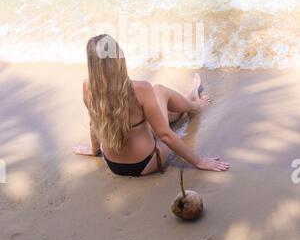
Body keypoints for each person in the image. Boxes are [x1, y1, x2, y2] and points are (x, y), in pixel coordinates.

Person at [74, 34, 230, 176]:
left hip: (113, 163)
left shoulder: (88, 88)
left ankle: (190, 98)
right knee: (159, 91)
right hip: (145, 162)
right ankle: (194, 106)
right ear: (118, 58)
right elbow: (164, 135)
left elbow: (93, 123)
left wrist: (94, 150)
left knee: (157, 113)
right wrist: (199, 162)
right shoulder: (140, 89)